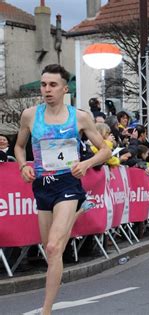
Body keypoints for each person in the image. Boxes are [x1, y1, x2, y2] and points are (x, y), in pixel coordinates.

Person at [14, 64, 111, 315]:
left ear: (64, 89)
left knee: (55, 247)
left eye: (53, 85)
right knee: (50, 249)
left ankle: (46, 310)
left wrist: (87, 163)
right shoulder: (30, 115)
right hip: (43, 187)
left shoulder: (78, 117)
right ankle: (80, 210)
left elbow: (106, 150)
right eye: (44, 84)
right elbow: (19, 146)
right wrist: (23, 166)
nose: (47, 89)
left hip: (68, 184)